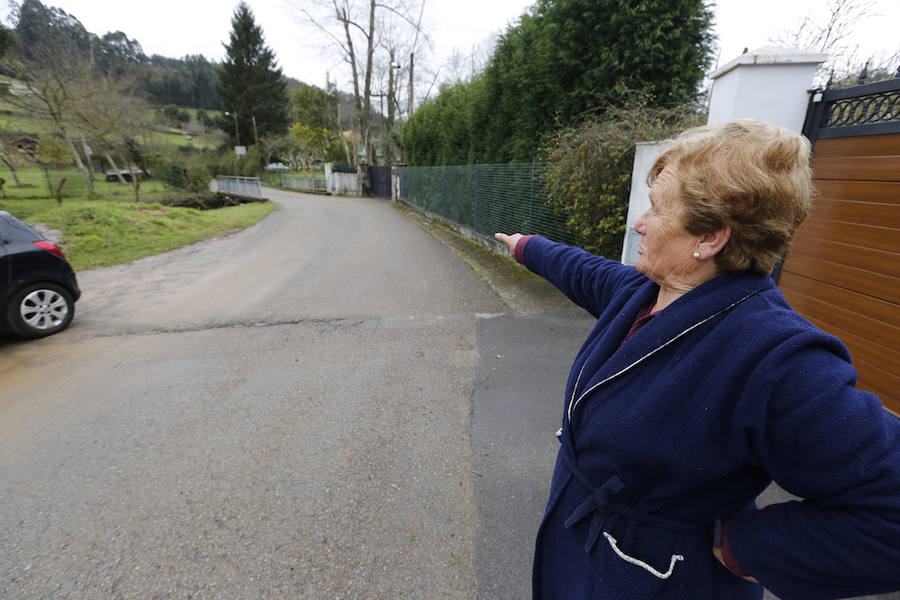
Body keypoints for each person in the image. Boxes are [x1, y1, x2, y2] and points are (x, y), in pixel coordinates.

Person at [494, 119, 900, 600]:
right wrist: (528, 247)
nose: (637, 223)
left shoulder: (776, 358)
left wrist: (746, 549)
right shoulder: (646, 292)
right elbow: (585, 272)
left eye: (657, 209)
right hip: (577, 555)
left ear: (709, 239)